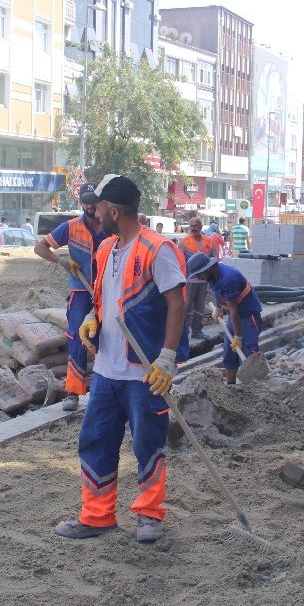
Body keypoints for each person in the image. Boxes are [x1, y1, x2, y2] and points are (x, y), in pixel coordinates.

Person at [54, 174, 188, 544]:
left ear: (114, 210)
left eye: (96, 206)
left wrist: (166, 358)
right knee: (96, 440)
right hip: (108, 371)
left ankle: (149, 516)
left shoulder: (156, 249)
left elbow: (177, 303)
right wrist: (92, 318)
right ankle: (97, 516)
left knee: (147, 442)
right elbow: (106, 298)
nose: (91, 212)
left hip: (144, 371)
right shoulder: (105, 249)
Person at [34, 183, 108, 412]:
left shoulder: (111, 226)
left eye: (94, 201)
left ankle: (102, 389)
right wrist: (62, 261)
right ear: (81, 203)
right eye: (86, 201)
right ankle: (73, 392)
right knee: (77, 338)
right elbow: (40, 248)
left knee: (108, 338)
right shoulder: (71, 227)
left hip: (107, 289)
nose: (90, 205)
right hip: (81, 290)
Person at [187, 252, 262, 385]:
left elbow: (233, 311)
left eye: (199, 273)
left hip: (247, 315)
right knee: (229, 352)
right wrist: (218, 308)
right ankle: (230, 388)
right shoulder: (212, 276)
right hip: (235, 317)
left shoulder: (229, 278)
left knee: (249, 353)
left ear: (207, 268)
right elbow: (219, 292)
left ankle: (254, 390)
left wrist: (238, 337)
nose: (198, 277)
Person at [177, 217, 217, 339]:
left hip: (204, 281)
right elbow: (178, 262)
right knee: (187, 307)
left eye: (196, 225)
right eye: (191, 226)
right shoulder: (184, 242)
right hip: (189, 281)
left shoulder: (209, 241)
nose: (193, 228)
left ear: (201, 227)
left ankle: (197, 330)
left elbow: (214, 258)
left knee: (200, 306)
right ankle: (183, 332)